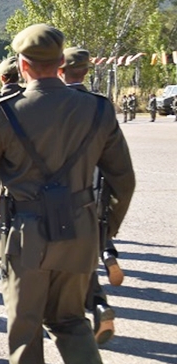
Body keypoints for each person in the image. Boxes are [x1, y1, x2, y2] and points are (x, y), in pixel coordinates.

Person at [0, 25, 135, 364]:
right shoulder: (98, 109)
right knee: (71, 321)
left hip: (26, 238)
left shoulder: (6, 112)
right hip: (80, 234)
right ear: (61, 63)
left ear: (22, 65)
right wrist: (105, 231)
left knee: (26, 333)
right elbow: (124, 181)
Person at [60, 46, 123, 345]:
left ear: (61, 70)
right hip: (96, 190)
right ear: (86, 71)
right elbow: (121, 170)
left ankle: (68, 324)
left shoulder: (54, 105)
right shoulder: (100, 105)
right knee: (84, 256)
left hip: (61, 196)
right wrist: (112, 225)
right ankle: (99, 303)